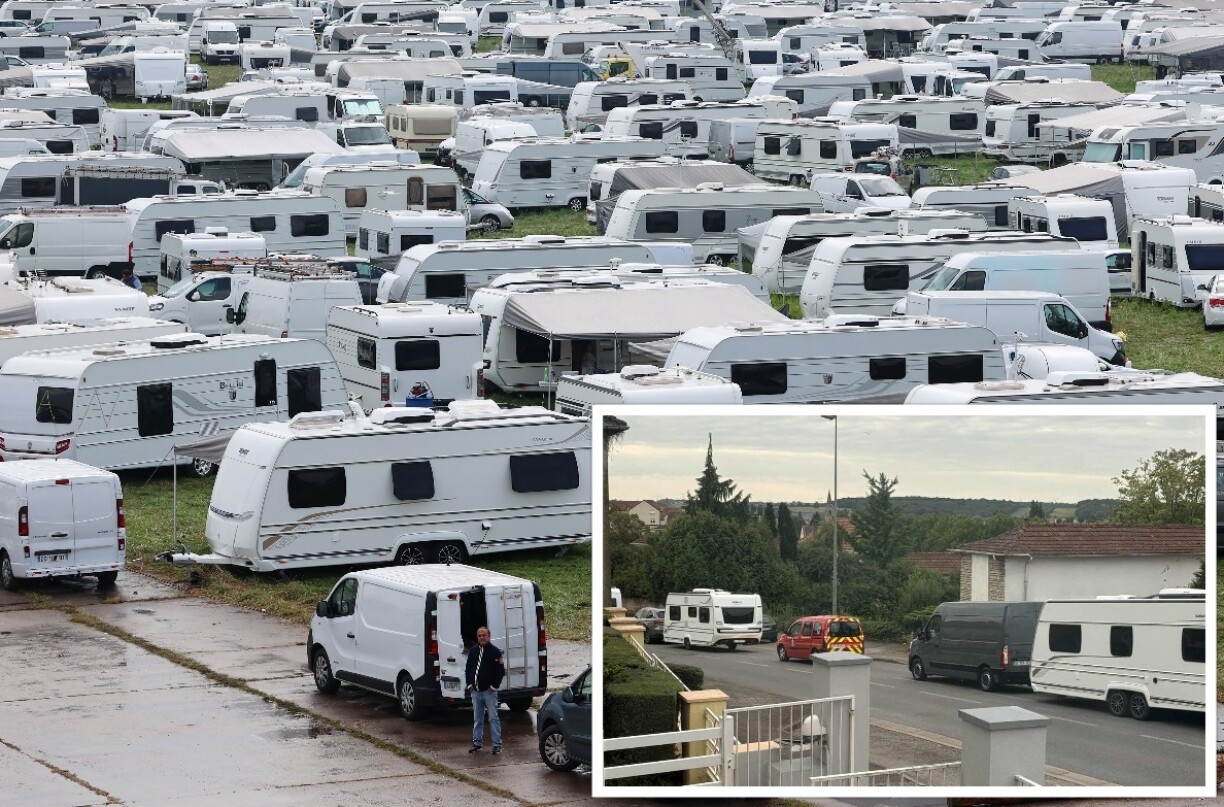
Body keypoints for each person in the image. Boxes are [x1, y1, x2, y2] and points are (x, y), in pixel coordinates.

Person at [465, 626, 505, 754]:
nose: (482, 637)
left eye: (484, 635)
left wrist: (493, 687)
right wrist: (469, 685)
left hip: (489, 693)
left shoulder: (495, 652)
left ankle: (497, 744)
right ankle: (477, 743)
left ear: (489, 636)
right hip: (476, 692)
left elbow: (500, 672)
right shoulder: (473, 651)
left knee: (493, 718)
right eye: (479, 636)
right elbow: (468, 669)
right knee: (477, 719)